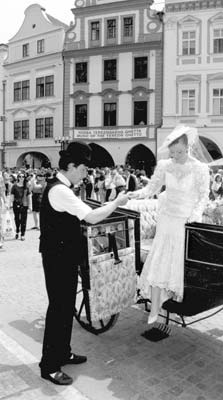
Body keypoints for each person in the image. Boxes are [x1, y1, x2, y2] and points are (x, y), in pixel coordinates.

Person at [39, 141, 128, 386]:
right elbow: (91, 216)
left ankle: (63, 352)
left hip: (64, 257)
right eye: (83, 168)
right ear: (70, 166)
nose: (85, 173)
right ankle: (49, 366)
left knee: (66, 308)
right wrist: (116, 203)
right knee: (58, 310)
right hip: (57, 260)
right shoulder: (60, 190)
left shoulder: (63, 187)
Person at [128, 126, 210, 324]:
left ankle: (173, 303)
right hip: (166, 220)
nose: (176, 156)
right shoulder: (165, 165)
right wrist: (135, 194)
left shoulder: (199, 168)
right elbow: (151, 188)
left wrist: (196, 214)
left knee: (177, 265)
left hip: (185, 220)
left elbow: (203, 195)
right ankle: (155, 308)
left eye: (180, 152)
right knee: (159, 263)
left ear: (188, 147)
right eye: (172, 153)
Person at [10, 173, 31, 240]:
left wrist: (30, 206)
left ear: (24, 178)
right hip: (16, 204)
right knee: (17, 219)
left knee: (23, 220)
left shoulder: (26, 187)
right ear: (18, 177)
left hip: (24, 204)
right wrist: (10, 204)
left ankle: (22, 234)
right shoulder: (14, 186)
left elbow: (29, 197)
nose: (21, 178)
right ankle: (17, 231)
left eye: (23, 177)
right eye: (20, 176)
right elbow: (12, 196)